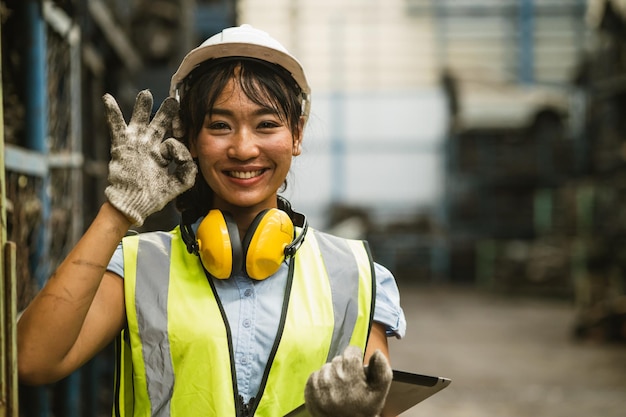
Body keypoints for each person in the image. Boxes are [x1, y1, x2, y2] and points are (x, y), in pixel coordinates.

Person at [17, 24, 406, 417]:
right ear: (191, 138)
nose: (243, 148)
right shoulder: (140, 268)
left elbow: (378, 400)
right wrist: (120, 208)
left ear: (297, 134)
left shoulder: (353, 275)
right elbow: (33, 360)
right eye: (220, 126)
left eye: (267, 124)